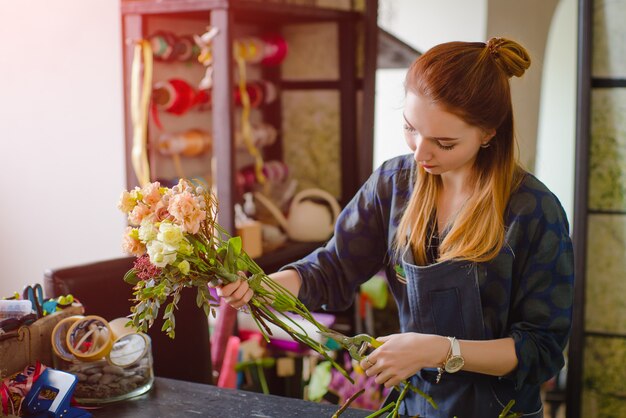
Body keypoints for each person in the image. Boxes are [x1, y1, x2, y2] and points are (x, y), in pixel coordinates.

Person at [215, 37, 574, 417]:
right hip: (414, 406)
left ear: (488, 134)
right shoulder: (394, 183)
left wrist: (438, 350)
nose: (420, 152)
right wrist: (265, 286)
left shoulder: (533, 212)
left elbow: (541, 349)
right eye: (410, 128)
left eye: (444, 143)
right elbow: (335, 267)